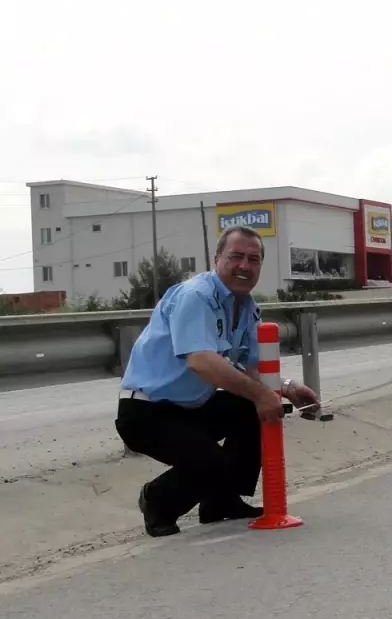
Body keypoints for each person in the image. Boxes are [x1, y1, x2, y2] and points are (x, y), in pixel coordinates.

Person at [114, 226, 322, 537]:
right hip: (147, 411)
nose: (244, 266)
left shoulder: (247, 307)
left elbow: (252, 366)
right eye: (236, 256)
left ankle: (221, 502)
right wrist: (263, 395)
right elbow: (201, 360)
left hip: (191, 407)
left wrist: (289, 388)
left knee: (250, 407)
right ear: (216, 259)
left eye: (253, 259)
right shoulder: (196, 296)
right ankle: (157, 500)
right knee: (216, 462)